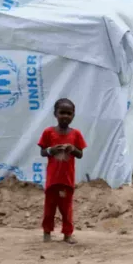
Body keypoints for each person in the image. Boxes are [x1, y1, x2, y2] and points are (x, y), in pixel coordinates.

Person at [38, 98, 86, 243]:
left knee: (67, 209)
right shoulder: (48, 132)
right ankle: (47, 232)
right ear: (55, 114)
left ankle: (67, 234)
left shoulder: (76, 134)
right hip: (52, 179)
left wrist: (73, 149)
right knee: (49, 208)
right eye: (62, 112)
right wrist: (51, 150)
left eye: (69, 113)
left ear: (73, 115)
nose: (65, 116)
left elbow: (80, 154)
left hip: (67, 179)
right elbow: (42, 152)